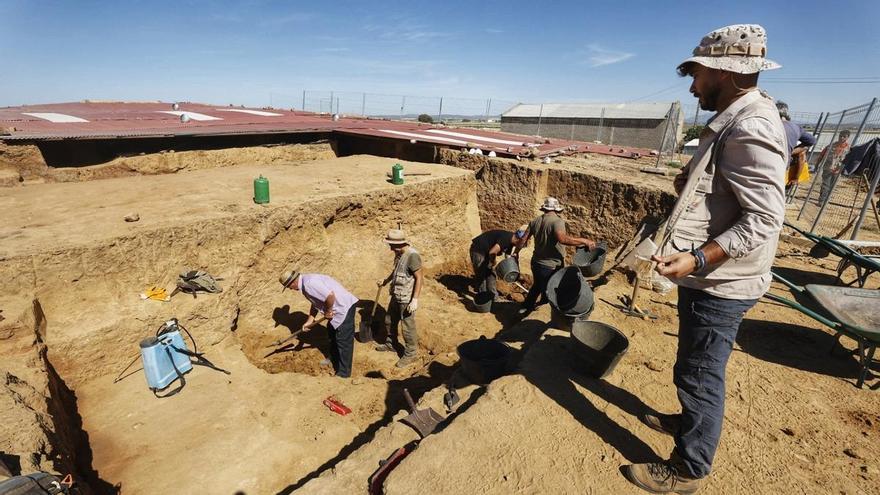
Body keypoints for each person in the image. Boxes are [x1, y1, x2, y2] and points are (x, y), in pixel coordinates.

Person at [622, 24, 787, 494]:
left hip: (721, 282)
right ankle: (690, 422)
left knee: (699, 372)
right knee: (694, 367)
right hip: (715, 276)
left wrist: (696, 258)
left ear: (723, 71)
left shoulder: (750, 125)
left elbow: (764, 219)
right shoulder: (739, 116)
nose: (692, 86)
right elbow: (728, 192)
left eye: (696, 74)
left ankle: (689, 469)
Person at [517, 197, 595, 316]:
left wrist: (516, 252)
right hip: (551, 266)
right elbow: (562, 239)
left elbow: (523, 239)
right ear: (557, 209)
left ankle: (525, 308)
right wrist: (584, 241)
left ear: (544, 209)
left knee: (537, 285)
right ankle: (540, 313)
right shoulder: (557, 222)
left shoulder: (535, 221)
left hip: (536, 263)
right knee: (549, 292)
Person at [279, 269, 359, 378]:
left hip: (343, 307)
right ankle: (333, 358)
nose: (291, 290)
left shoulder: (309, 284)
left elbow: (330, 296)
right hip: (336, 308)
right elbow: (316, 302)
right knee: (331, 333)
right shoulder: (306, 282)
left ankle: (343, 374)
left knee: (343, 340)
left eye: (289, 287)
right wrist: (309, 321)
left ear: (292, 283)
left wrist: (328, 310)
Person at [374, 229, 424, 368]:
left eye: (391, 245)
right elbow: (396, 271)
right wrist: (386, 281)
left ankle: (411, 353)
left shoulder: (412, 256)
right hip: (396, 294)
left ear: (399, 244)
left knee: (407, 326)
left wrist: (415, 299)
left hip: (407, 297)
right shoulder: (399, 254)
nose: (390, 248)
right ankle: (391, 343)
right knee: (389, 320)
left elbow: (419, 277)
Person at [469, 226, 526, 300]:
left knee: (491, 275)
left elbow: (507, 256)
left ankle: (493, 296)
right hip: (478, 250)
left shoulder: (512, 242)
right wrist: (493, 261)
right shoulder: (506, 239)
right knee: (482, 274)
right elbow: (492, 252)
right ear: (518, 239)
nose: (522, 245)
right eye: (523, 242)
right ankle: (482, 297)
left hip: (487, 252)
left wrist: (512, 270)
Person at [776, 101, 817, 200]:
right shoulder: (795, 127)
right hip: (783, 170)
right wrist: (792, 151)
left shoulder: (768, 124)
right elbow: (812, 141)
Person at [817, 129, 851, 205]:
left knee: (832, 186)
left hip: (838, 171)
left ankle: (827, 200)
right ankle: (821, 200)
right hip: (828, 169)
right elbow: (821, 155)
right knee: (825, 185)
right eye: (840, 136)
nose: (841, 138)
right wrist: (817, 165)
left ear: (847, 138)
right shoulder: (831, 145)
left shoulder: (849, 149)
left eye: (844, 137)